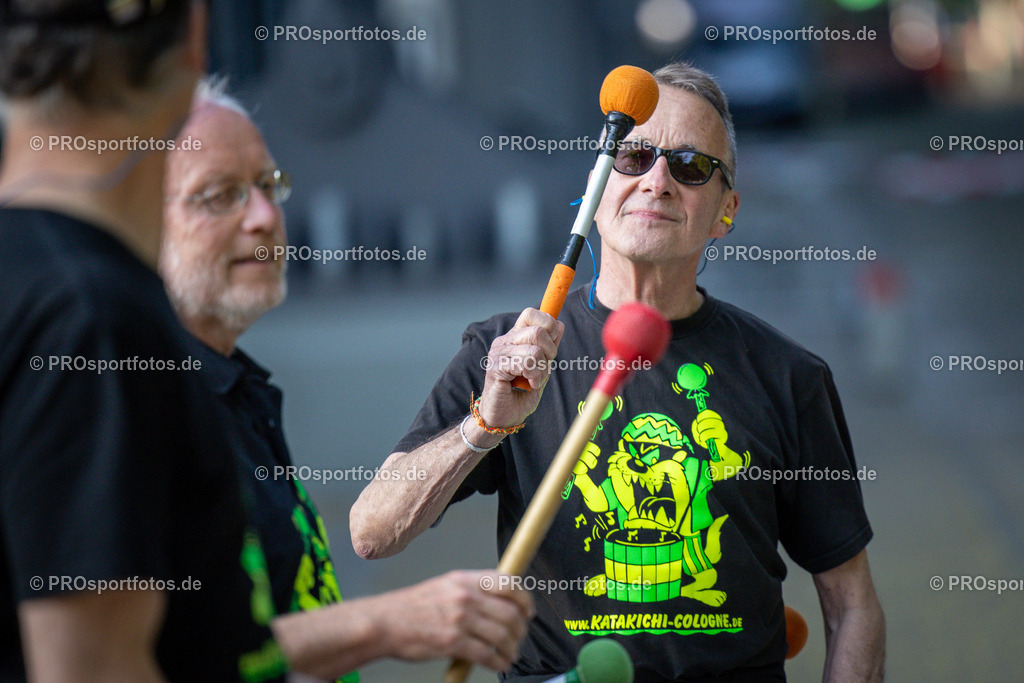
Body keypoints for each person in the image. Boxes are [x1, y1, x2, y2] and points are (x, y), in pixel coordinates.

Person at [351, 61, 886, 682]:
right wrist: (484, 424)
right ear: (596, 190)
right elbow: (372, 532)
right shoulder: (503, 355)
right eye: (633, 157)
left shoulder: (788, 375)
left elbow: (852, 606)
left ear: (726, 211)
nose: (657, 181)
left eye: (690, 167)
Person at [158, 79, 533, 681]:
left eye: (268, 186)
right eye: (219, 195)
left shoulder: (235, 390)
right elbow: (167, 651)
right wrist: (384, 624)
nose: (263, 216)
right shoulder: (127, 403)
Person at [0, 0, 289, 680]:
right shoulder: (89, 316)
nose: (263, 216)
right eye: (217, 194)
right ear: (195, 36)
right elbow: (94, 668)